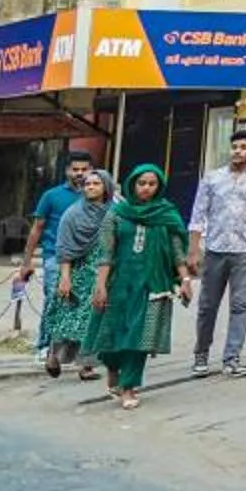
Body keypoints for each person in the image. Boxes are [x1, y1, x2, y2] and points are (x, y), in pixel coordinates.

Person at [87, 165, 192, 409]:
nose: (146, 188)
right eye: (141, 183)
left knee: (139, 338)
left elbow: (178, 251)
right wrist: (100, 285)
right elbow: (105, 252)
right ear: (133, 184)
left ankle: (128, 387)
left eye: (152, 184)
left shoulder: (167, 214)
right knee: (111, 333)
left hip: (152, 284)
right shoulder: (116, 213)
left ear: (159, 187)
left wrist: (185, 280)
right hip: (119, 283)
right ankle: (113, 367)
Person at [188, 129, 246, 377]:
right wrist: (193, 251)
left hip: (244, 252)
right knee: (207, 305)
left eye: (244, 147)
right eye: (235, 147)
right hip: (214, 249)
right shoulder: (212, 179)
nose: (238, 151)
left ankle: (232, 359)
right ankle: (201, 354)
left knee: (241, 306)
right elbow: (197, 216)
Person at [19, 150, 93, 365]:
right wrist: (26, 262)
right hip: (55, 256)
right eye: (75, 169)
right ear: (67, 170)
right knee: (54, 298)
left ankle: (76, 350)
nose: (79, 173)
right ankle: (44, 345)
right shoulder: (51, 196)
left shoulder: (97, 194)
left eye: (84, 169)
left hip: (87, 258)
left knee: (83, 303)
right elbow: (37, 228)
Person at [36, 170, 112, 379]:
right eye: (87, 184)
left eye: (96, 183)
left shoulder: (112, 212)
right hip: (77, 273)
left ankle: (86, 366)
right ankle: (53, 356)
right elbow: (64, 248)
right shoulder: (73, 214)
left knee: (93, 319)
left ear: (106, 187)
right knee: (65, 317)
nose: (90, 187)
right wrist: (65, 277)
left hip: (100, 275)